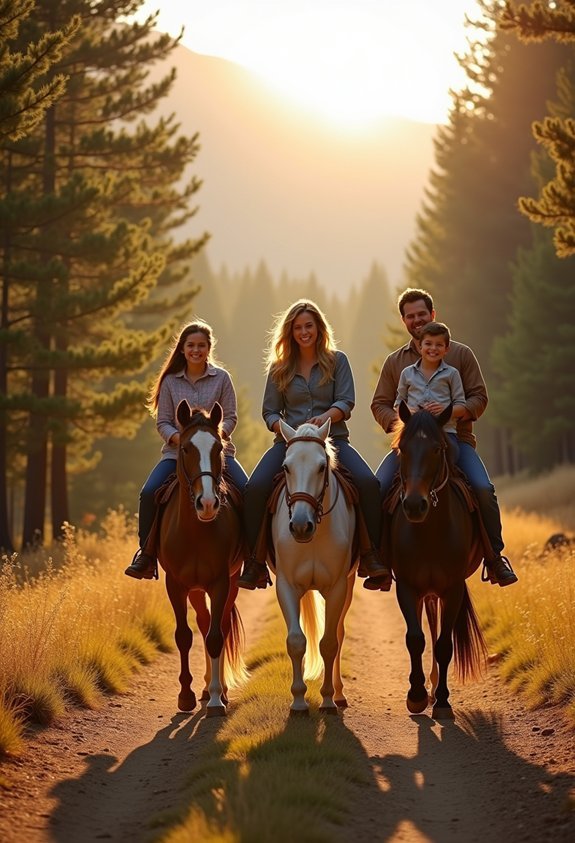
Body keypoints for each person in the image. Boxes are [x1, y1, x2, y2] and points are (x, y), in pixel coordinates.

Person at [238, 299, 393, 591]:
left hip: (333, 441)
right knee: (255, 488)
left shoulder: (338, 361)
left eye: (308, 326)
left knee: (368, 483)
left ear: (319, 328)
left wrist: (326, 417)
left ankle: (371, 555)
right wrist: (284, 429)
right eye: (297, 327)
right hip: (289, 445)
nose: (304, 332)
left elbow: (346, 401)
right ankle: (255, 562)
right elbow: (269, 411)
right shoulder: (279, 367)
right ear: (290, 332)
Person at [371, 288, 517, 587]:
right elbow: (380, 404)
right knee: (377, 487)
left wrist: (451, 411)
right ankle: (378, 559)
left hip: (455, 440)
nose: (417, 320)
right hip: (410, 447)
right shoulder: (395, 362)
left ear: (432, 314)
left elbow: (479, 398)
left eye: (422, 314)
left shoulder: (460, 355)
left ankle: (494, 558)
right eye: (410, 316)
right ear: (403, 321)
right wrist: (409, 422)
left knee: (483, 488)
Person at [125, 320, 248, 580]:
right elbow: (163, 422)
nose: (196, 350)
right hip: (177, 455)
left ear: (209, 348)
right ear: (182, 348)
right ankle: (146, 556)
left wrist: (212, 438)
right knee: (148, 492)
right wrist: (183, 441)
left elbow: (231, 417)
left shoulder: (222, 378)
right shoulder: (170, 382)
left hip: (217, 456)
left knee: (248, 491)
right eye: (191, 345)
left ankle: (254, 558)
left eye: (201, 345)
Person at [396, 321, 467, 459]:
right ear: (420, 347)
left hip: (445, 433)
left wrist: (444, 410)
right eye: (428, 343)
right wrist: (411, 413)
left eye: (439, 345)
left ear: (447, 349)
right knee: (385, 473)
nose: (433, 348)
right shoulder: (407, 373)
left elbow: (461, 406)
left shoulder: (452, 374)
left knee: (455, 455)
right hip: (413, 434)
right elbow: (398, 403)